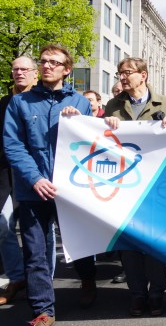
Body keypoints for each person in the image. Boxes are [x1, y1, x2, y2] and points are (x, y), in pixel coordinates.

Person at [3, 45, 93, 326]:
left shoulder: (80, 102)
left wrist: (80, 123)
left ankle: (88, 281)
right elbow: (13, 145)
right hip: (33, 190)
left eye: (54, 63)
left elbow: (92, 143)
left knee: (79, 243)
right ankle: (44, 310)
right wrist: (35, 178)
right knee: (36, 251)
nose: (46, 66)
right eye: (43, 62)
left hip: (70, 190)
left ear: (67, 70)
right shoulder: (20, 103)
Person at [104, 57, 166, 317]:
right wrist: (106, 125)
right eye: (119, 73)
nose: (122, 77)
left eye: (127, 73)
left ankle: (157, 291)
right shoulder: (113, 104)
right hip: (124, 184)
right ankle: (137, 293)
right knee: (129, 241)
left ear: (143, 75)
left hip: (154, 183)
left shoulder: (165, 103)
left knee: (153, 240)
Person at [0, 57, 36, 306]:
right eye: (15, 69)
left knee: (38, 232)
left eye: (24, 69)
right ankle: (16, 278)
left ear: (35, 74)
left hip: (36, 173)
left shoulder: (43, 99)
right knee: (3, 226)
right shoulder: (4, 102)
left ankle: (39, 282)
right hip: (5, 174)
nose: (19, 73)